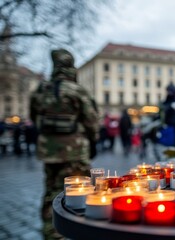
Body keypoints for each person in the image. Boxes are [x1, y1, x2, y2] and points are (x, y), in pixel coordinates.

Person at [30, 49, 99, 239]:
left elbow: (34, 118)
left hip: (48, 151)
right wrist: (93, 142)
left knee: (51, 190)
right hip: (75, 151)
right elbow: (92, 121)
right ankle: (75, 231)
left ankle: (50, 230)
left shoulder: (41, 90)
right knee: (78, 193)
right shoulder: (76, 90)